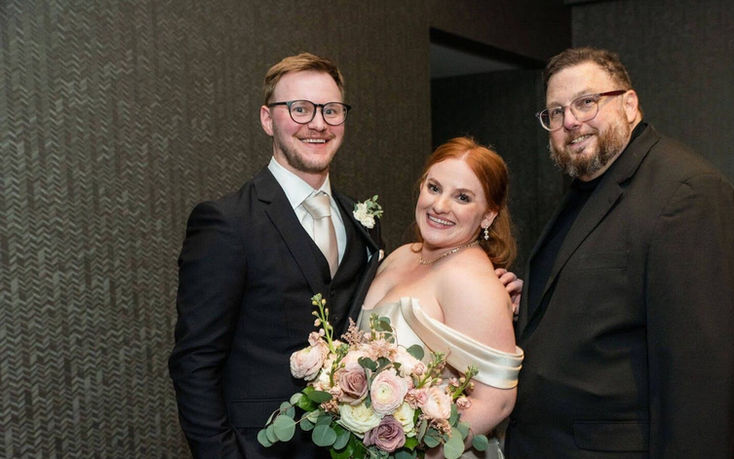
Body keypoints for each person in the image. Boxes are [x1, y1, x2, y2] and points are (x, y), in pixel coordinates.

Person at [505, 47, 734, 458]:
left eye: (586, 102)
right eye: (556, 112)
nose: (570, 121)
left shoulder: (688, 195)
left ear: (629, 104)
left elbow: (704, 384)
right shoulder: (586, 188)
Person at [168, 53, 384, 458]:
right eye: (300, 109)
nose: (318, 123)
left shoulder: (361, 221)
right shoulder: (227, 223)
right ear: (268, 119)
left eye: (331, 110)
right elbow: (194, 362)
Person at [359, 137, 524, 459]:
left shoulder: (471, 280)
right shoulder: (403, 255)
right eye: (434, 188)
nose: (440, 206)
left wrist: (419, 451)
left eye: (462, 197)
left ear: (488, 216)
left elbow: (497, 401)